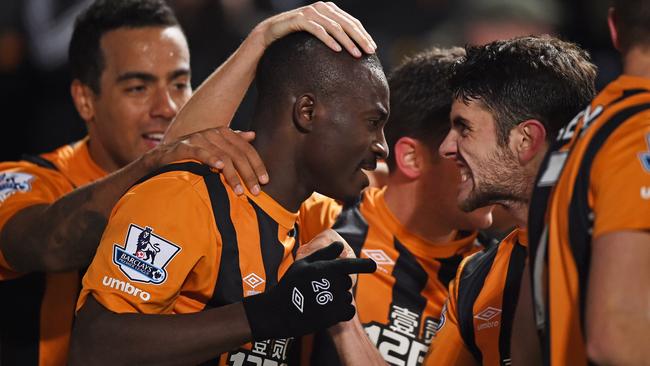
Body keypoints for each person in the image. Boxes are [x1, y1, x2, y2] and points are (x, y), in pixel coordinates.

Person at [0, 0, 376, 364]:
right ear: (85, 99)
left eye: (180, 84)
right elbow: (48, 246)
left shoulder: (243, 189)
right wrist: (154, 162)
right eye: (137, 88)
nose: (166, 106)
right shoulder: (31, 179)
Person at [163, 45, 496, 366]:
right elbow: (177, 157)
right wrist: (260, 40)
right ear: (410, 156)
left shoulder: (492, 276)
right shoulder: (326, 220)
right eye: (466, 137)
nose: (490, 162)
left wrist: (343, 319)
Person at [422, 35, 596, 366]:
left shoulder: (622, 249)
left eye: (464, 128)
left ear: (525, 140)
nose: (446, 147)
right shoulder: (474, 278)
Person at [513, 1, 650, 364]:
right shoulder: (641, 132)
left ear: (615, 29)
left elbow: (524, 347)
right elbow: (617, 337)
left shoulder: (579, 132)